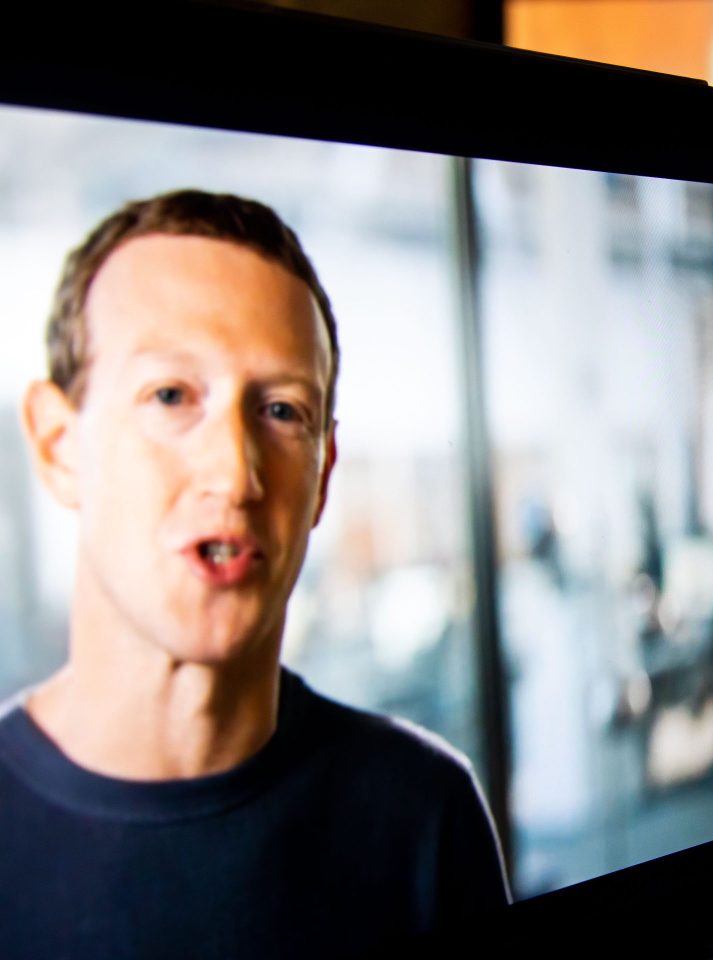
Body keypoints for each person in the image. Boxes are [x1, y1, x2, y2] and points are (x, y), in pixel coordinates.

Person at [0, 190, 509, 958]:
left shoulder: (424, 810)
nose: (235, 476)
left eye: (281, 411)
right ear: (57, 444)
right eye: (171, 395)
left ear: (324, 476)